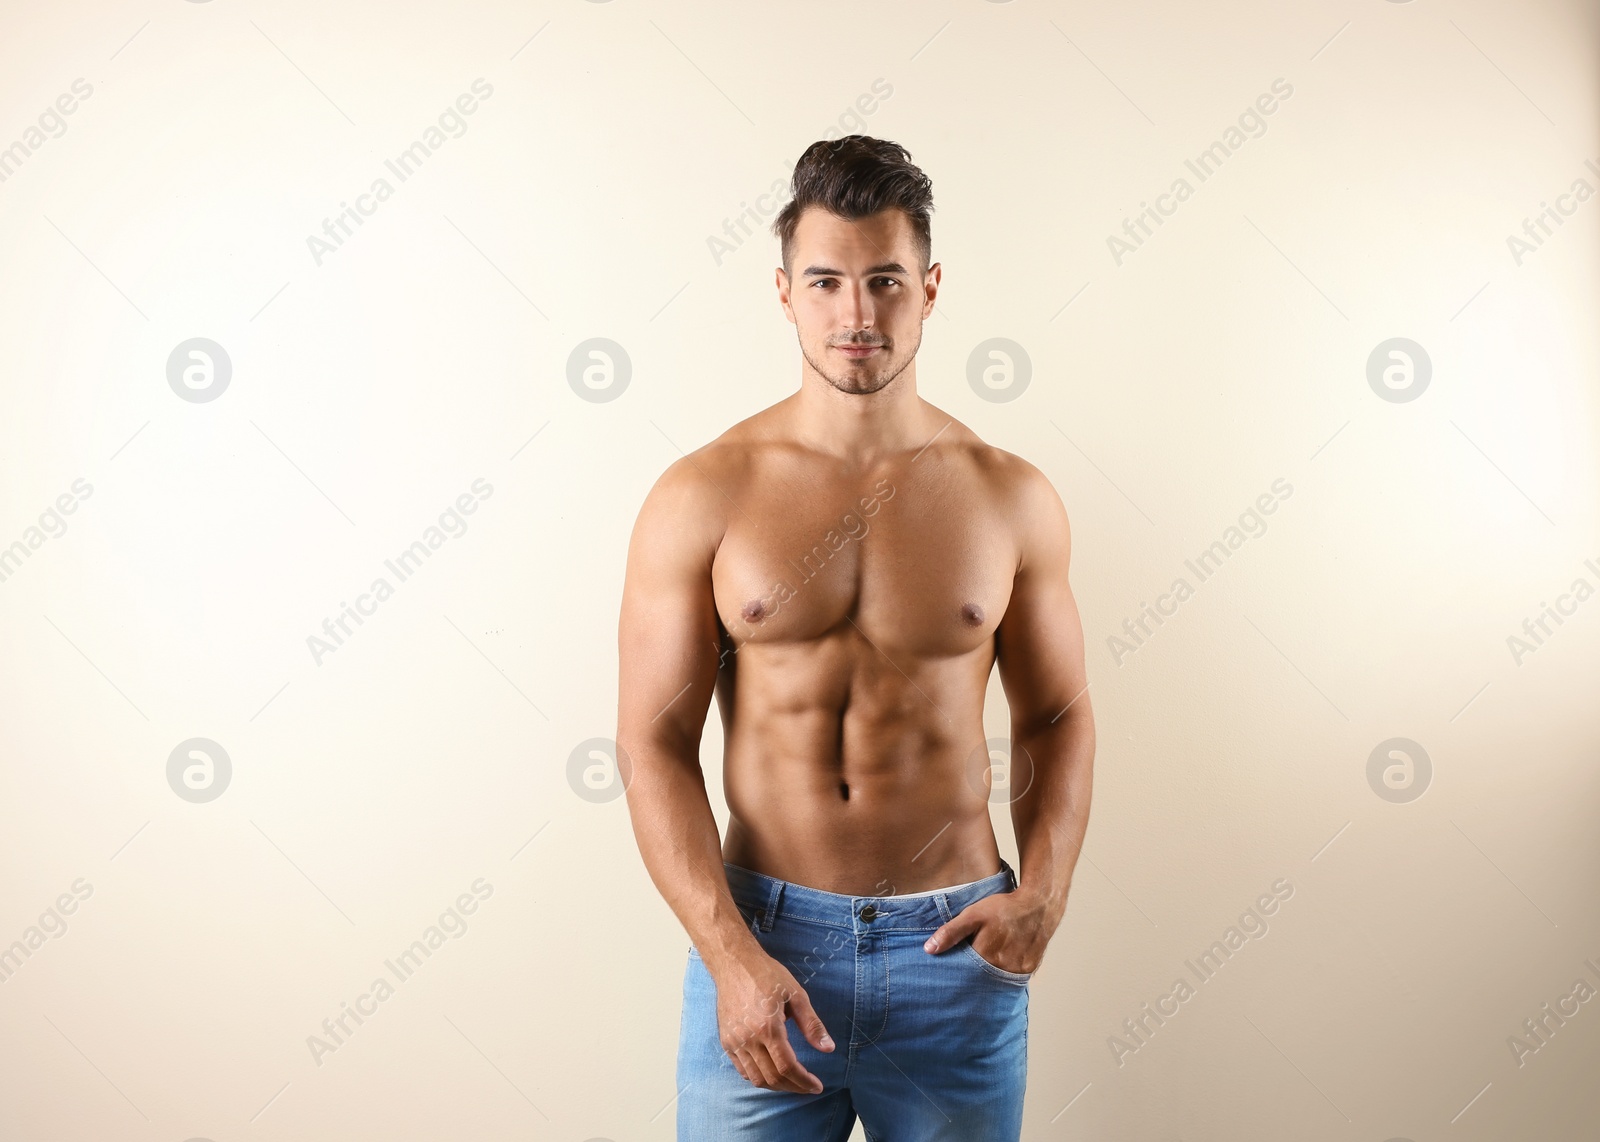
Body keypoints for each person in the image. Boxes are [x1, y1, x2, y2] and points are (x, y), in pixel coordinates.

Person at [616, 135, 1095, 1141]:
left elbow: (1055, 713)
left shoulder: (1009, 496)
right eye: (827, 280)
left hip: (955, 949)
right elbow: (651, 743)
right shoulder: (702, 494)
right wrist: (728, 954)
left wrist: (1042, 892)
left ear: (928, 288)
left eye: (883, 280)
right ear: (784, 291)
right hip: (762, 946)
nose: (857, 313)